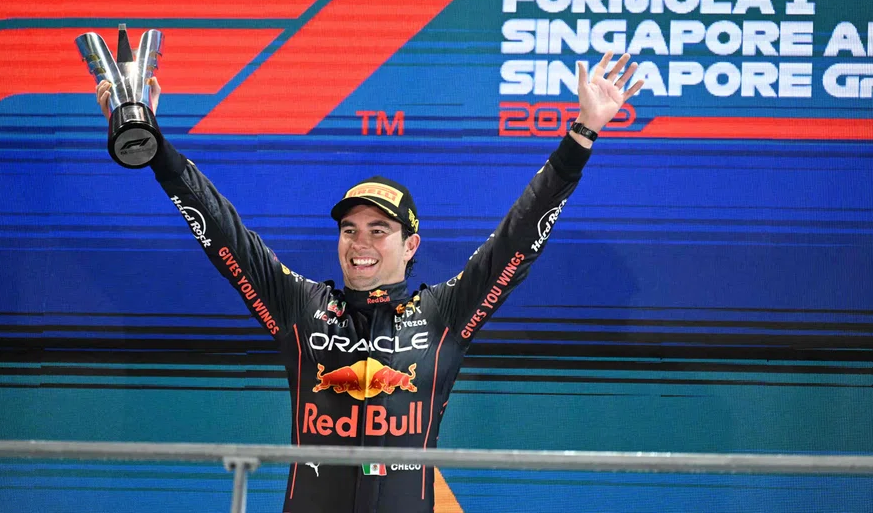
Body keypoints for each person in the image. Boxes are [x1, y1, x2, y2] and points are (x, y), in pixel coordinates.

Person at [96, 51, 643, 513]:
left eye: (379, 230)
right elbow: (224, 233)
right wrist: (155, 148)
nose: (360, 242)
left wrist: (581, 135)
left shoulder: (445, 314)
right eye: (350, 229)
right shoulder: (300, 306)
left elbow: (518, 237)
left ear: (411, 245)